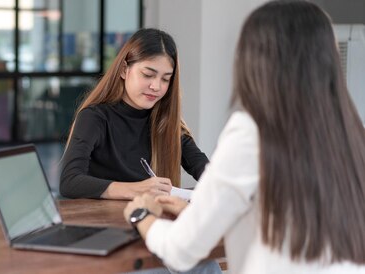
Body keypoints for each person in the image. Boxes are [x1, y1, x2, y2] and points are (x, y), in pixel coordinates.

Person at [124, 1, 365, 273]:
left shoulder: (253, 132)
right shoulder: (350, 134)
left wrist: (142, 216)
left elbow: (180, 251)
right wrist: (198, 216)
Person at [60, 28, 209, 200]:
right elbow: (69, 181)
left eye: (165, 79)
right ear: (124, 70)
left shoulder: (166, 122)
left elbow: (203, 168)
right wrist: (135, 189)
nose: (156, 86)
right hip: (104, 222)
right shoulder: (94, 117)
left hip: (151, 222)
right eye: (148, 75)